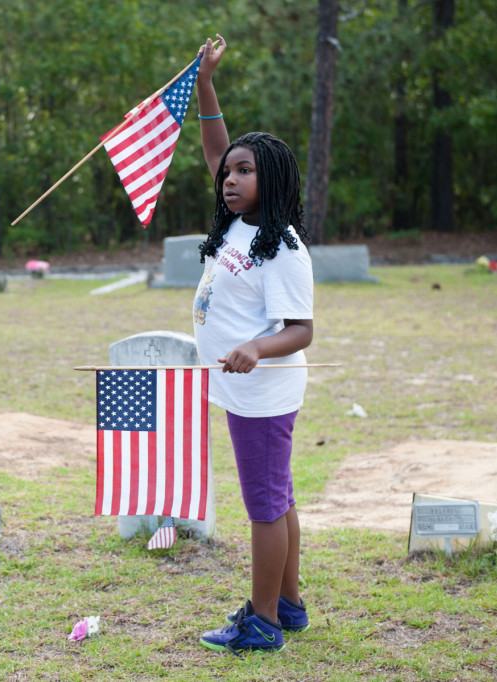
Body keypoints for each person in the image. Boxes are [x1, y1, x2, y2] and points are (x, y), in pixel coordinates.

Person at [191, 34, 314, 655]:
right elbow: (216, 145)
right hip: (243, 388)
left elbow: (301, 330)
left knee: (264, 505)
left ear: (273, 181)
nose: (230, 178)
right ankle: (289, 606)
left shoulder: (284, 245)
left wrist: (257, 349)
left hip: (262, 389)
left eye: (245, 171)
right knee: (279, 496)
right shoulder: (240, 221)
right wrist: (206, 83)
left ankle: (262, 621)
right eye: (229, 171)